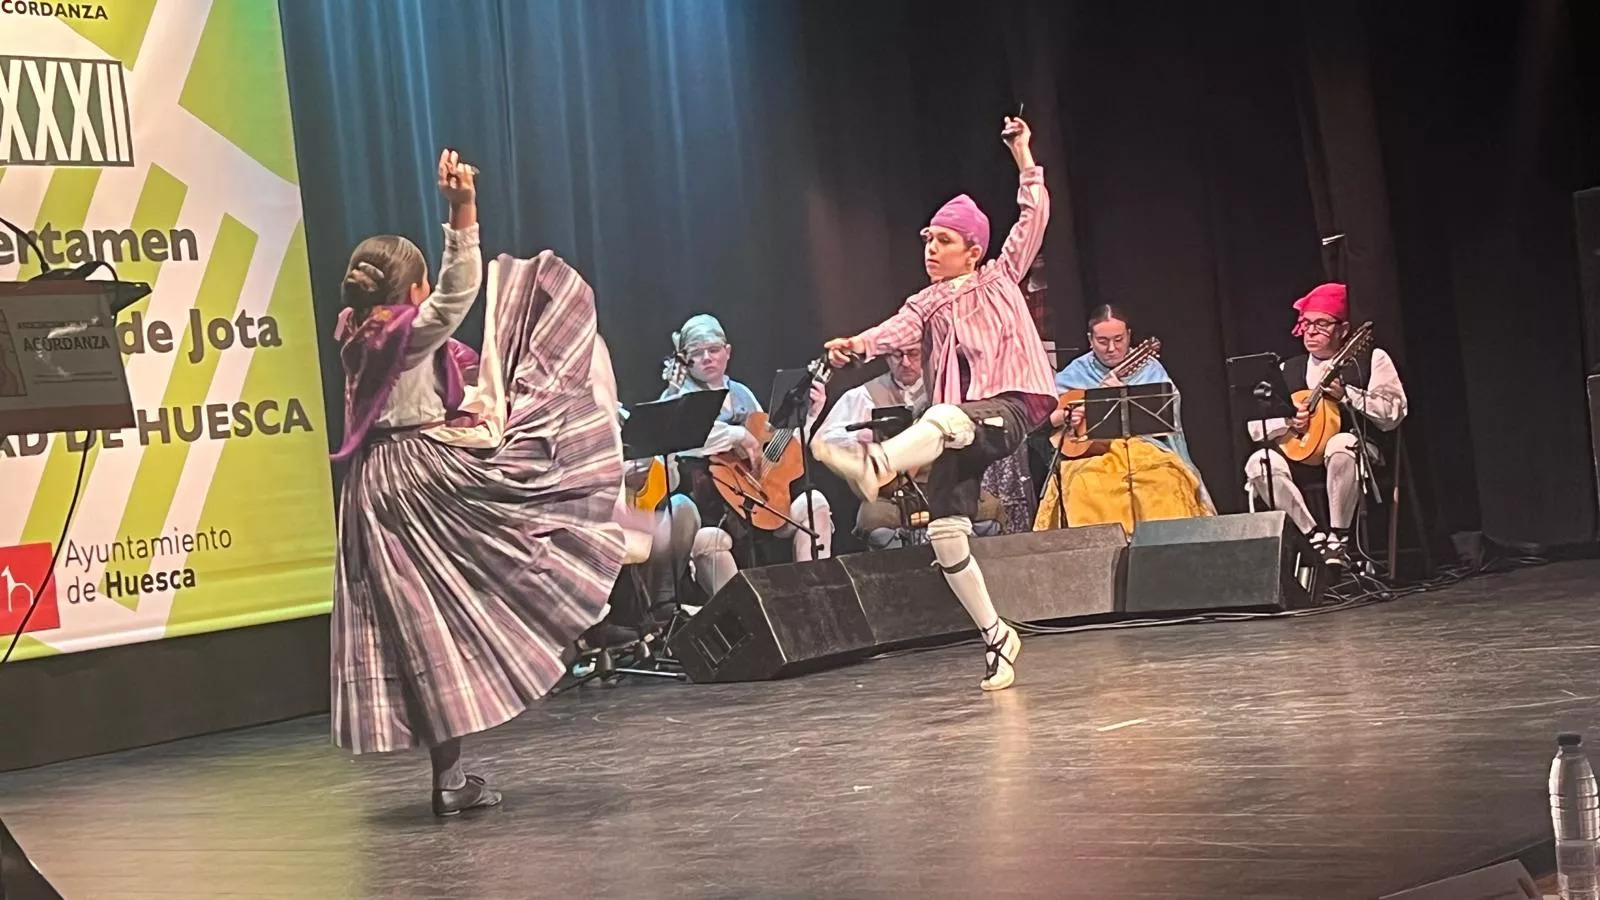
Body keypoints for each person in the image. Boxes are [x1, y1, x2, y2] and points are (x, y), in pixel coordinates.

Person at [328, 150, 625, 816]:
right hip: (419, 477)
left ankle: (450, 775)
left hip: (368, 491)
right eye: (422, 287)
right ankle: (568, 611)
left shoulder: (352, 329)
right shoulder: (405, 333)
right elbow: (460, 288)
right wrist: (461, 208)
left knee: (419, 629)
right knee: (525, 513)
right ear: (411, 294)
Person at [810, 116, 1054, 692]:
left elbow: (1033, 218)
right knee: (947, 533)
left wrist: (1023, 156)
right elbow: (896, 328)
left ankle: (876, 464)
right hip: (957, 428)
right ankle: (997, 636)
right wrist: (858, 344)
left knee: (941, 418)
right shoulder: (924, 302)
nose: (930, 249)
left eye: (942, 240)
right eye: (927, 240)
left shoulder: (1000, 279)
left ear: (973, 250)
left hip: (1008, 405)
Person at [660, 313, 832, 597]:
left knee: (814, 505)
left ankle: (813, 595)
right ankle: (742, 621)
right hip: (715, 512)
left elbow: (776, 450)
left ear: (727, 352)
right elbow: (679, 437)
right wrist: (737, 435)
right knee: (707, 540)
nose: (707, 358)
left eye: (713, 350)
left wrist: (810, 417)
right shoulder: (679, 397)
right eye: (697, 353)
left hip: (758, 500)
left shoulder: (741, 393)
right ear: (684, 359)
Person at [1243, 282, 1407, 566]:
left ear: (1343, 331)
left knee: (1339, 443)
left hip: (1356, 454)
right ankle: (1314, 539)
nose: (1311, 331)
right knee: (1260, 462)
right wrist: (1289, 421)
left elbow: (1394, 413)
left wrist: (1349, 395)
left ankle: (1338, 539)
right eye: (1306, 324)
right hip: (1303, 457)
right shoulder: (1287, 369)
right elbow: (1255, 428)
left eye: (1321, 324)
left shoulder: (1370, 360)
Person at [1035, 305, 1213, 533]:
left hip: (1145, 447)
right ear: (1090, 339)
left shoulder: (1149, 368)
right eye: (1102, 341)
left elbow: (1168, 411)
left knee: (1165, 480)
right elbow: (1044, 417)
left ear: (1129, 335)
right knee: (1084, 485)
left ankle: (1162, 550)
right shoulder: (1076, 372)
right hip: (1093, 453)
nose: (1111, 348)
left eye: (1119, 340)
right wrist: (1065, 416)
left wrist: (1123, 396)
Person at [814, 344, 1007, 549]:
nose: (905, 362)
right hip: (891, 492)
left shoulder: (947, 387)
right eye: (897, 355)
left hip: (946, 482)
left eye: (913, 354)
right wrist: (859, 441)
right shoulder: (864, 396)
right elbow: (824, 441)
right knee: (874, 520)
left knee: (988, 511)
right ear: (887, 357)